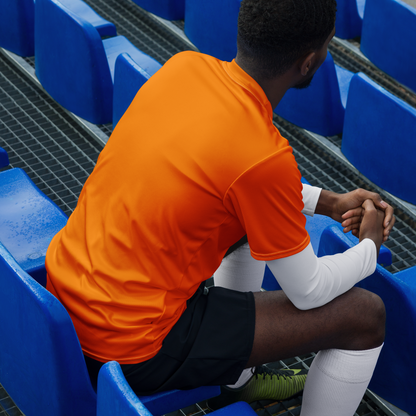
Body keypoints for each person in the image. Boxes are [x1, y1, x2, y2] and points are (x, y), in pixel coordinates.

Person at [45, 0, 395, 414]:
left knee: (245, 224)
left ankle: (237, 383)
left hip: (67, 302)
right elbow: (308, 290)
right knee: (364, 316)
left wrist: (328, 202)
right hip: (132, 346)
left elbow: (231, 182)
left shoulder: (183, 68)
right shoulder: (264, 155)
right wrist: (369, 249)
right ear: (309, 62)